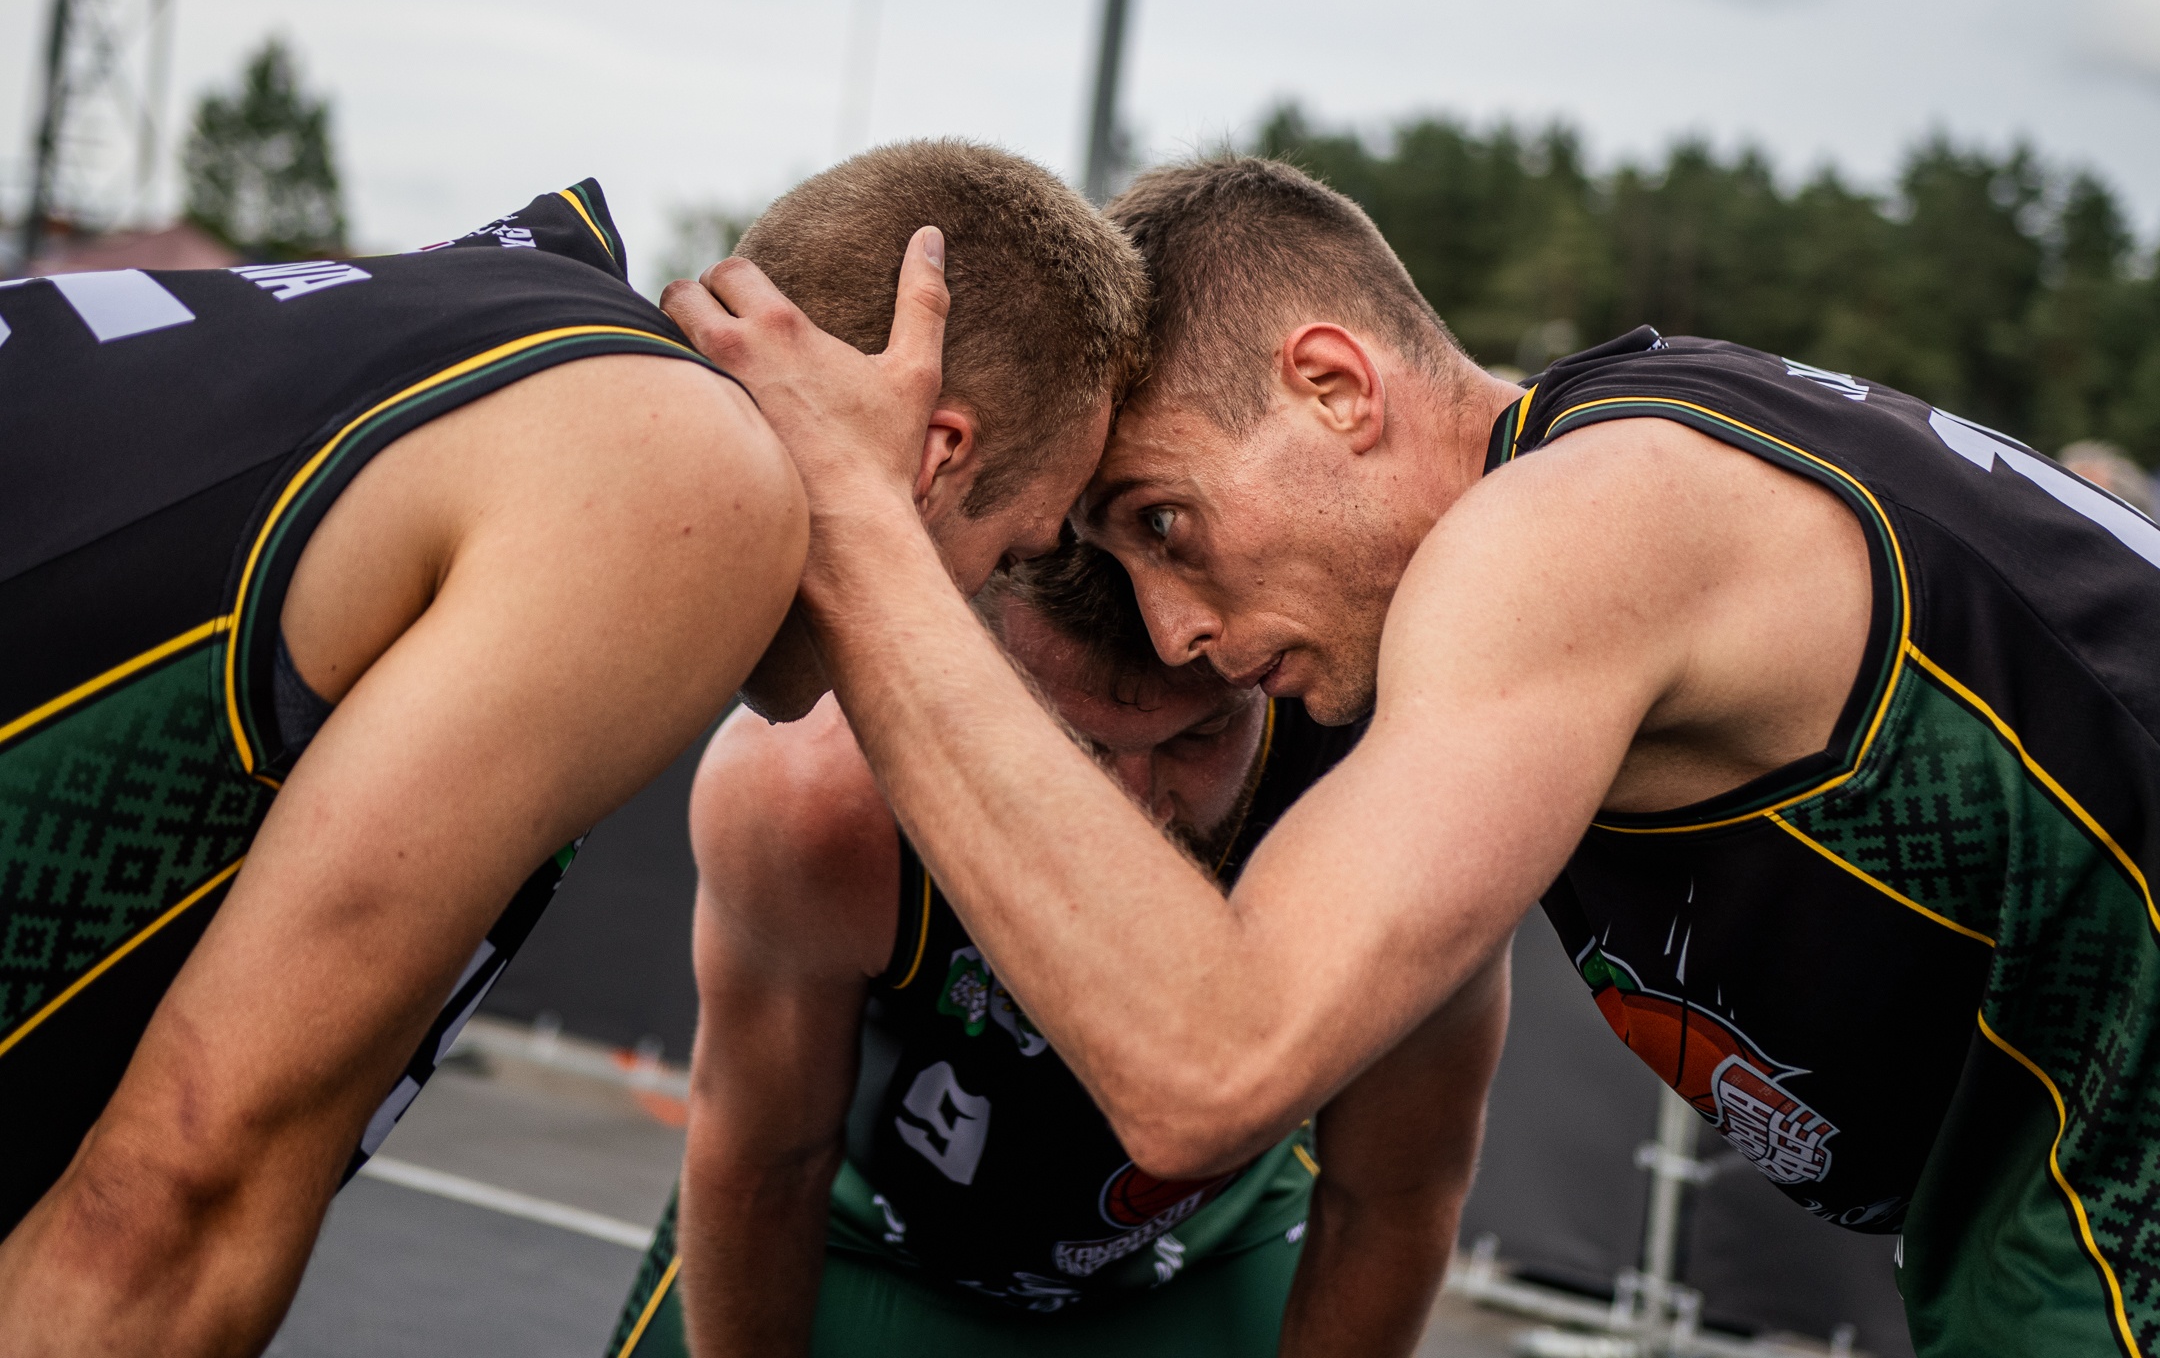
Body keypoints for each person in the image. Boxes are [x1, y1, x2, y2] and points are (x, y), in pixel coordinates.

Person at [660, 154, 2160, 1358]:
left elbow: (1210, 1069)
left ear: (1334, 385)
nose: (1176, 631)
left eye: (1167, 521)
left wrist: (863, 526)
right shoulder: (1650, 458)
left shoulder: (1571, 529)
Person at [0, 140, 1145, 1356]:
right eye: (1009, 560)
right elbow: (174, 1199)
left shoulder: (519, 323)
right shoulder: (685, 475)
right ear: (935, 457)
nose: (984, 615)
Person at [606, 535, 1494, 1357]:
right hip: (862, 1233)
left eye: (1196, 737)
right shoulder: (816, 786)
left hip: (1211, 1252)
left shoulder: (1389, 781)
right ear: (974, 668)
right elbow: (767, 1165)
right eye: (1077, 746)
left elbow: (1392, 1197)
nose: (1138, 812)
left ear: (1259, 676)